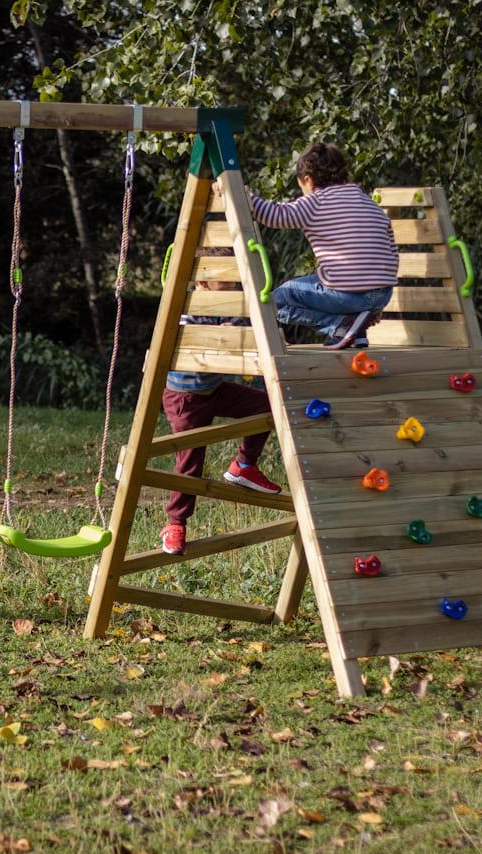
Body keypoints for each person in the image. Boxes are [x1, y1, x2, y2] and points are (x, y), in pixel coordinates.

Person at [160, 280, 282, 556]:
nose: (233, 285)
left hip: (214, 390)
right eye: (225, 282)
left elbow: (248, 331)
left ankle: (243, 465)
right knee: (190, 463)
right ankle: (175, 524)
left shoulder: (227, 305)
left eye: (235, 280)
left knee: (266, 405)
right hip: (185, 398)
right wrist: (219, 336)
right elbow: (191, 342)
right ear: (203, 282)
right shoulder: (190, 305)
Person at [248, 142, 398, 350]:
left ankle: (338, 326)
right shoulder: (368, 202)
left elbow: (276, 216)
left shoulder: (316, 202)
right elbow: (391, 250)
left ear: (307, 180)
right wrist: (376, 296)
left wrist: (245, 197)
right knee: (327, 283)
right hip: (382, 293)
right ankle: (357, 333)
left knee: (277, 301)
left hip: (349, 295)